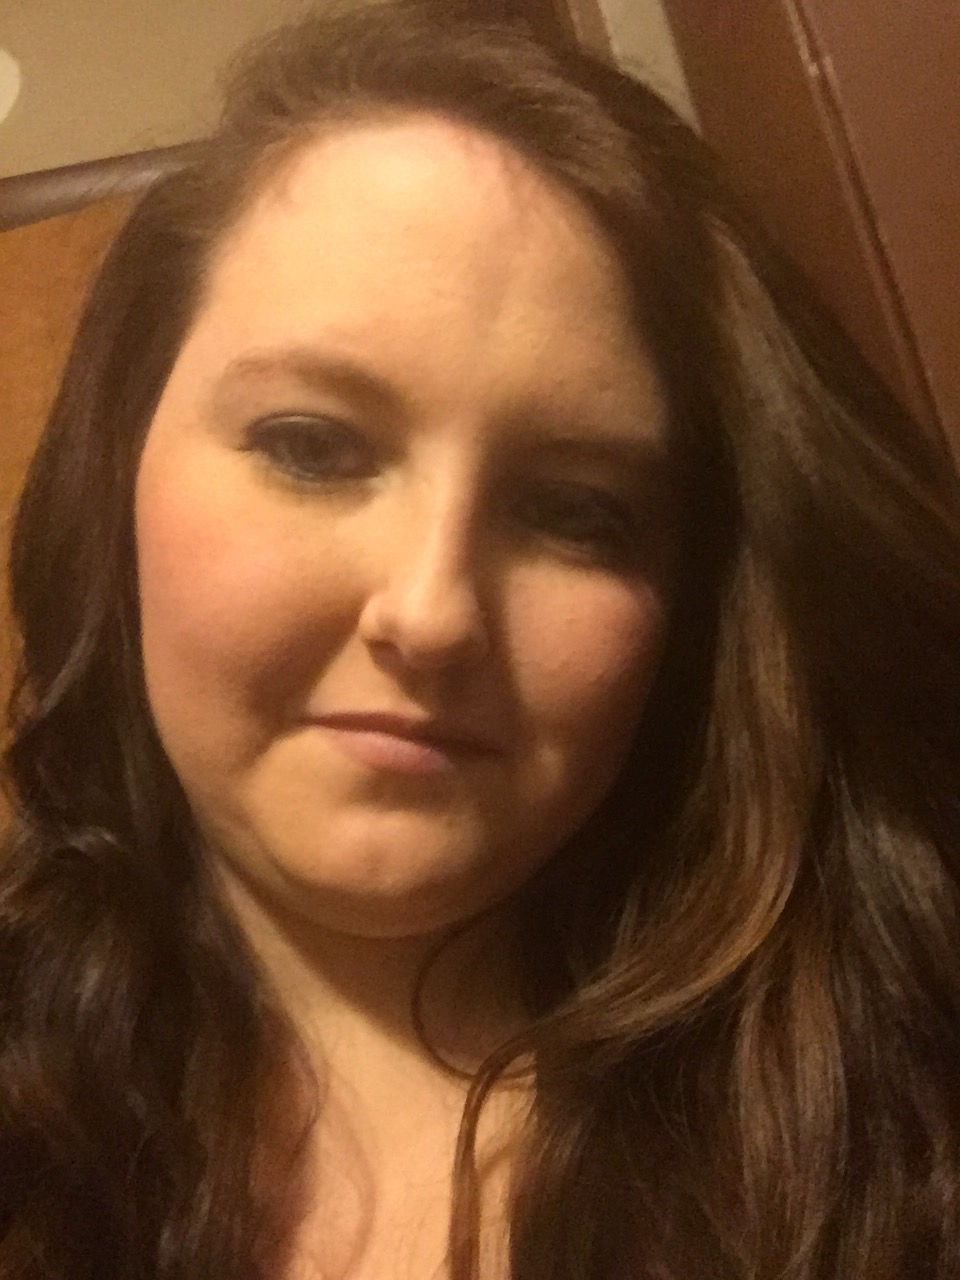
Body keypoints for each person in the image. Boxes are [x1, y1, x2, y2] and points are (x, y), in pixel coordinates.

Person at [3, 3, 960, 1277]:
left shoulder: (907, 1124)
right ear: (117, 471)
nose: (434, 611)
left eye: (576, 512)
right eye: (311, 445)